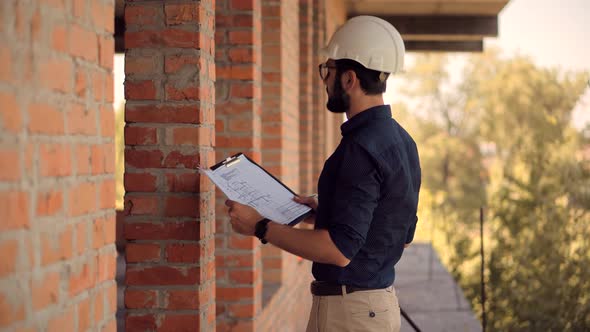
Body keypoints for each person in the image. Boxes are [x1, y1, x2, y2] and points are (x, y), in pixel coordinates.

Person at [225, 15, 421, 332]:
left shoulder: (359, 149)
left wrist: (259, 226)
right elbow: (400, 233)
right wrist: (330, 211)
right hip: (377, 308)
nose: (324, 80)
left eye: (327, 70)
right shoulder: (403, 142)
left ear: (349, 79)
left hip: (349, 315)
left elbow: (338, 251)